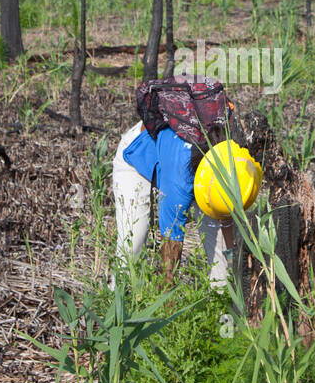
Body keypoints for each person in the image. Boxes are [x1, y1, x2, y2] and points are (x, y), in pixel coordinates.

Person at [112, 94, 262, 287]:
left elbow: (227, 222)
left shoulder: (238, 160)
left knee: (221, 257)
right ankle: (117, 300)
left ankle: (224, 307)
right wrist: (167, 298)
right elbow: (171, 239)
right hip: (136, 156)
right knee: (131, 244)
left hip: (199, 164)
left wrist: (239, 268)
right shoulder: (179, 182)